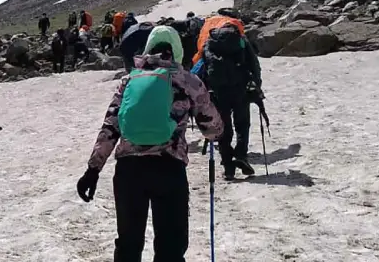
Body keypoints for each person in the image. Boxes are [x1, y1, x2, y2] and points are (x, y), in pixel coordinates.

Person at [76, 25, 224, 262]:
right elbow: (213, 130)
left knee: (128, 245)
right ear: (176, 49)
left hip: (128, 171)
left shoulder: (129, 80)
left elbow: (110, 126)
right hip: (168, 169)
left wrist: (92, 170)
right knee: (170, 247)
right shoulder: (187, 80)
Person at [197, 19, 262, 181]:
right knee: (242, 124)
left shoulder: (209, 42)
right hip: (240, 89)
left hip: (218, 91)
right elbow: (253, 64)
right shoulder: (241, 41)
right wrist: (256, 86)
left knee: (224, 128)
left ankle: (228, 167)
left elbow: (202, 66)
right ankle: (241, 155)